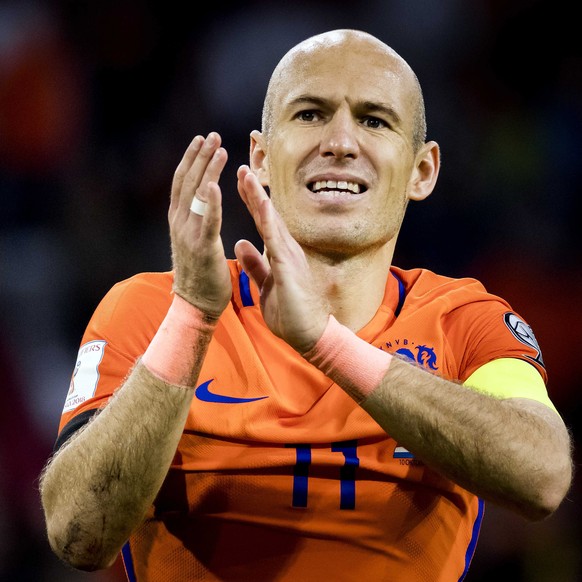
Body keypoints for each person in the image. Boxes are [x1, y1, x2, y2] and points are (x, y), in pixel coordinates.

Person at [39, 29, 573, 582]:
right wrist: (194, 317)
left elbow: (542, 475)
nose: (340, 142)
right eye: (311, 114)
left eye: (374, 120)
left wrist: (326, 343)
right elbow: (79, 533)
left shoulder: (467, 321)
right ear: (262, 157)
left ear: (423, 171)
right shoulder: (152, 310)